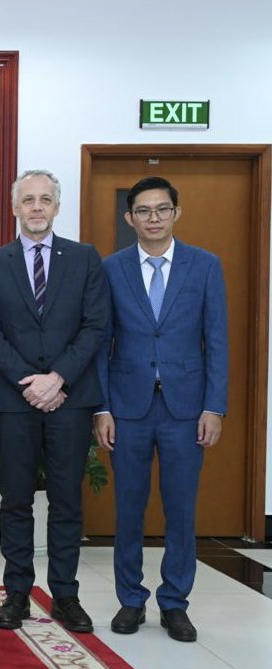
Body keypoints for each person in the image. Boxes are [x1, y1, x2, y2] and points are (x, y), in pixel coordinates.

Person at [0, 169, 108, 632]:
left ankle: (65, 595)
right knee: (16, 500)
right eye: (28, 199)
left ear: (57, 206)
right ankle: (17, 594)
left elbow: (95, 325)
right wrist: (30, 381)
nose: (36, 207)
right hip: (15, 400)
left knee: (67, 499)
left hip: (70, 399)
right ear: (15, 207)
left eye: (45, 199)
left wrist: (58, 378)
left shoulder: (85, 258)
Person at [95, 176, 227, 643]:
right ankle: (130, 600)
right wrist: (102, 407)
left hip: (185, 410)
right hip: (127, 409)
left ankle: (174, 603)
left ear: (176, 213)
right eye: (144, 211)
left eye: (162, 209)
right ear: (129, 218)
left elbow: (217, 341)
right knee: (128, 510)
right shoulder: (110, 269)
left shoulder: (205, 266)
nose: (153, 218)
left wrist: (214, 406)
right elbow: (100, 343)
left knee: (181, 512)